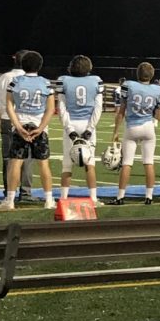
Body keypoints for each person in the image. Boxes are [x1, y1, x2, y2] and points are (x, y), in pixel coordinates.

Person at [0, 51, 55, 211]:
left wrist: (19, 127)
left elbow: (9, 106)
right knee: (44, 164)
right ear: (40, 65)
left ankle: (10, 200)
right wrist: (41, 128)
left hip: (20, 124)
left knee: (15, 163)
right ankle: (49, 200)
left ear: (22, 65)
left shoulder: (15, 82)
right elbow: (51, 109)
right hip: (39, 126)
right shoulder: (46, 83)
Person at [110, 62, 160, 205]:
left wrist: (115, 132)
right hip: (148, 127)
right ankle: (149, 197)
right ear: (152, 75)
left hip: (132, 127)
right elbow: (159, 116)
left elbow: (121, 112)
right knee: (149, 163)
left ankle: (120, 197)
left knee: (127, 163)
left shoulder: (129, 86)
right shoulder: (157, 89)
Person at [55, 54, 104, 207]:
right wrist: (90, 128)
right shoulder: (95, 81)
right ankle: (93, 198)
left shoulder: (64, 80)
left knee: (67, 164)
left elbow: (61, 107)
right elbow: (98, 107)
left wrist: (69, 129)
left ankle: (63, 198)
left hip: (71, 123)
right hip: (87, 123)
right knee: (90, 163)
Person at [0, 49, 33, 201]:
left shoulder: (5, 77)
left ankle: (8, 192)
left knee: (8, 158)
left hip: (7, 119)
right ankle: (26, 192)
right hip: (26, 120)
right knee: (27, 157)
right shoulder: (31, 79)